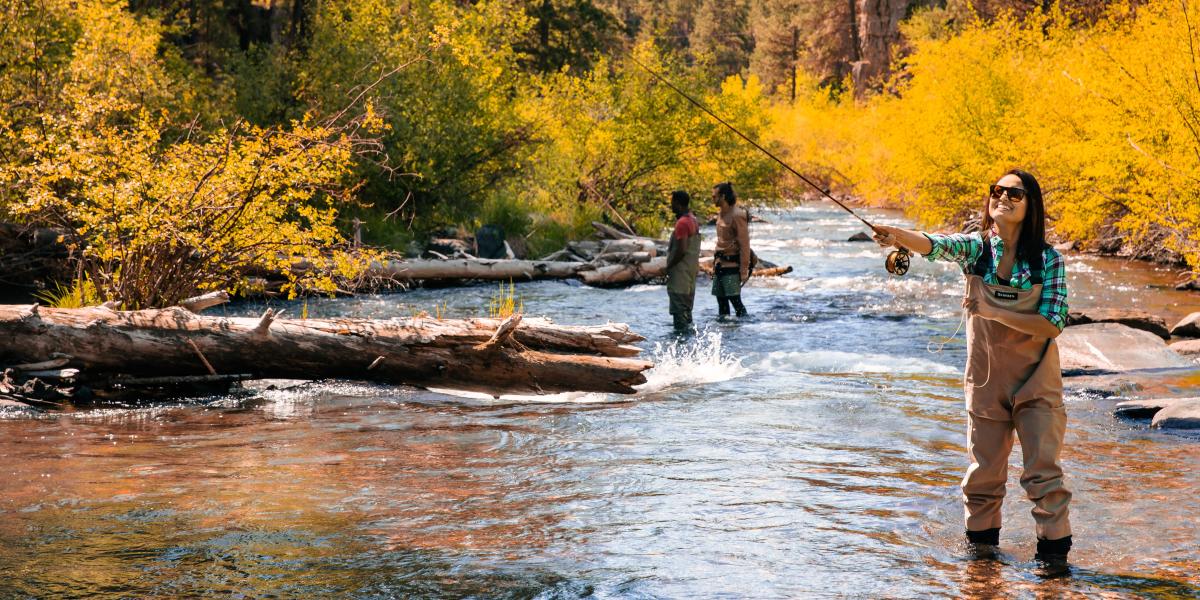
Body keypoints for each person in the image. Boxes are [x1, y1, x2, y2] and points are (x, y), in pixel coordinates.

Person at [872, 169, 1073, 564]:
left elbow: (1052, 323)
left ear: (1031, 206)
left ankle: (1056, 576)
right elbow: (932, 245)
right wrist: (895, 235)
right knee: (981, 481)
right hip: (984, 384)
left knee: (1044, 479)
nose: (1003, 197)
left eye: (1015, 193)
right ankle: (980, 572)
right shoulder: (975, 249)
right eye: (997, 191)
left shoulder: (1048, 260)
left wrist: (994, 312)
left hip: (1037, 386)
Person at [712, 182, 750, 318]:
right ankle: (724, 333)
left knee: (735, 301)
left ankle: (743, 333)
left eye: (714, 196)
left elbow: (744, 244)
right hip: (719, 266)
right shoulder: (720, 214)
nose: (712, 199)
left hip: (732, 267)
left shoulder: (738, 215)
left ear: (723, 196)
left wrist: (744, 271)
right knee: (721, 302)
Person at [666, 190, 701, 331]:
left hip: (680, 276)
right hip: (690, 276)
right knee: (687, 315)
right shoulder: (693, 220)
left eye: (672, 203)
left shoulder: (682, 223)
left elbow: (681, 250)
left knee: (679, 320)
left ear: (679, 204)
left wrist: (668, 266)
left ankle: (681, 349)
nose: (671, 206)